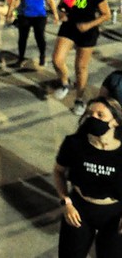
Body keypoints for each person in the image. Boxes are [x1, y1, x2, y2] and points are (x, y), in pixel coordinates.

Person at [53, 97, 122, 258]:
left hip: (114, 214)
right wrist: (66, 202)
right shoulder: (74, 143)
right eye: (90, 114)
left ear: (116, 122)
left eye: (100, 115)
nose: (93, 118)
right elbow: (58, 172)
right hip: (80, 209)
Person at [53, 0, 112, 116]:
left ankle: (80, 99)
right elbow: (64, 5)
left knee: (81, 67)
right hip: (69, 27)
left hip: (88, 32)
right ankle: (65, 83)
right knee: (57, 60)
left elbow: (106, 14)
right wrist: (61, 13)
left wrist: (88, 25)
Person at [7, 0, 60, 68]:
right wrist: (10, 12)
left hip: (39, 15)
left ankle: (42, 55)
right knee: (22, 38)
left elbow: (50, 0)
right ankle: (20, 58)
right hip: (24, 15)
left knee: (39, 37)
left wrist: (55, 14)